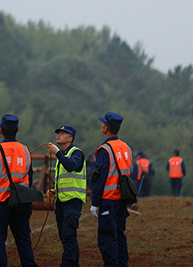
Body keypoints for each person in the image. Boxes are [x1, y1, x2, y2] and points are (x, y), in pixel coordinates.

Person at [0, 114, 37, 267]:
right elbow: (30, 177)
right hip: (20, 201)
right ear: (17, 130)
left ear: (1, 131)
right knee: (23, 238)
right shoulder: (26, 151)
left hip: (0, 203)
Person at [90, 111, 132, 267]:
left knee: (107, 237)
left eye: (103, 123)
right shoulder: (126, 147)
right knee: (120, 234)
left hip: (109, 200)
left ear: (106, 127)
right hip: (123, 199)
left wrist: (95, 203)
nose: (101, 125)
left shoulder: (105, 149)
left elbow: (99, 178)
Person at [45, 125, 86, 267]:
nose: (59, 135)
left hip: (72, 202)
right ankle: (73, 264)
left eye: (63, 133)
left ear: (70, 138)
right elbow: (67, 178)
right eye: (58, 133)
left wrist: (57, 152)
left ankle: (67, 264)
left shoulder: (76, 153)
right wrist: (55, 191)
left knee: (68, 236)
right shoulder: (62, 156)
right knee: (65, 237)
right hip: (62, 201)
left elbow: (71, 166)